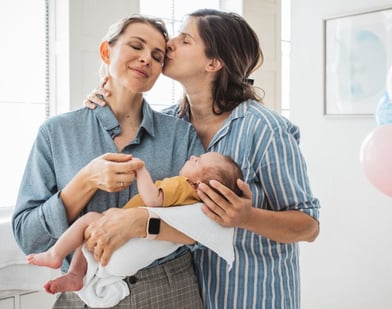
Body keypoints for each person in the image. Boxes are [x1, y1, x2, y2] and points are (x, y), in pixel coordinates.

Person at [84, 9, 321, 309]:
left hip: (254, 297)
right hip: (190, 296)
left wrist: (248, 217)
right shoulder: (169, 125)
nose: (170, 44)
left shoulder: (264, 130)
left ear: (213, 62)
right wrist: (101, 100)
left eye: (185, 40)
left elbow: (308, 225)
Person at [12, 14, 207, 308]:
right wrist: (85, 180)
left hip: (170, 291)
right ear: (107, 51)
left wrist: (141, 224)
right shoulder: (57, 133)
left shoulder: (181, 135)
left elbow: (204, 226)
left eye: (156, 56)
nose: (146, 59)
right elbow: (28, 237)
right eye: (136, 46)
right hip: (82, 290)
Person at [26, 152, 243, 304]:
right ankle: (75, 275)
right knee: (89, 233)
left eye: (199, 162)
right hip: (135, 251)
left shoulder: (181, 184)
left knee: (89, 219)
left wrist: (141, 171)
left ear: (199, 185)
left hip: (129, 240)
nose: (194, 156)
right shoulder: (194, 204)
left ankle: (58, 256)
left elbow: (154, 199)